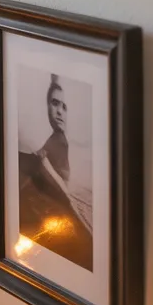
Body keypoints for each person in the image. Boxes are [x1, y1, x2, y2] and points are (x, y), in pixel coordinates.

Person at [17, 74, 93, 270]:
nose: (59, 111)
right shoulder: (52, 143)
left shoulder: (64, 143)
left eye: (64, 107)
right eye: (55, 103)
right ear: (47, 106)